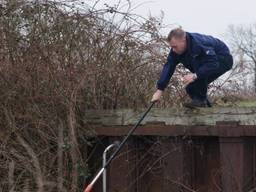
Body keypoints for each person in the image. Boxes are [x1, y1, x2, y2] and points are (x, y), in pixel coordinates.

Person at [151, 28, 233, 108]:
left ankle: (201, 102)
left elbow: (212, 64)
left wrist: (195, 76)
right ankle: (205, 107)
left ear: (183, 40)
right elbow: (169, 67)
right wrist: (159, 90)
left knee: (199, 75)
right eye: (171, 47)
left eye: (175, 46)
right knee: (191, 88)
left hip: (222, 59)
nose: (173, 50)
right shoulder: (175, 51)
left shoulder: (198, 44)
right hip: (206, 64)